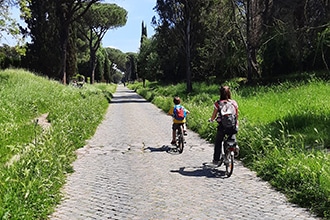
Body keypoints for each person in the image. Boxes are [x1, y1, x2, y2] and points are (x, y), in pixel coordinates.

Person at [208, 86, 239, 165]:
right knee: (232, 137)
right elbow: (236, 114)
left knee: (218, 141)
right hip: (232, 126)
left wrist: (211, 120)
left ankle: (216, 160)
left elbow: (214, 116)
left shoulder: (218, 103)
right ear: (229, 93)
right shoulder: (234, 103)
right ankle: (235, 146)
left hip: (222, 126)